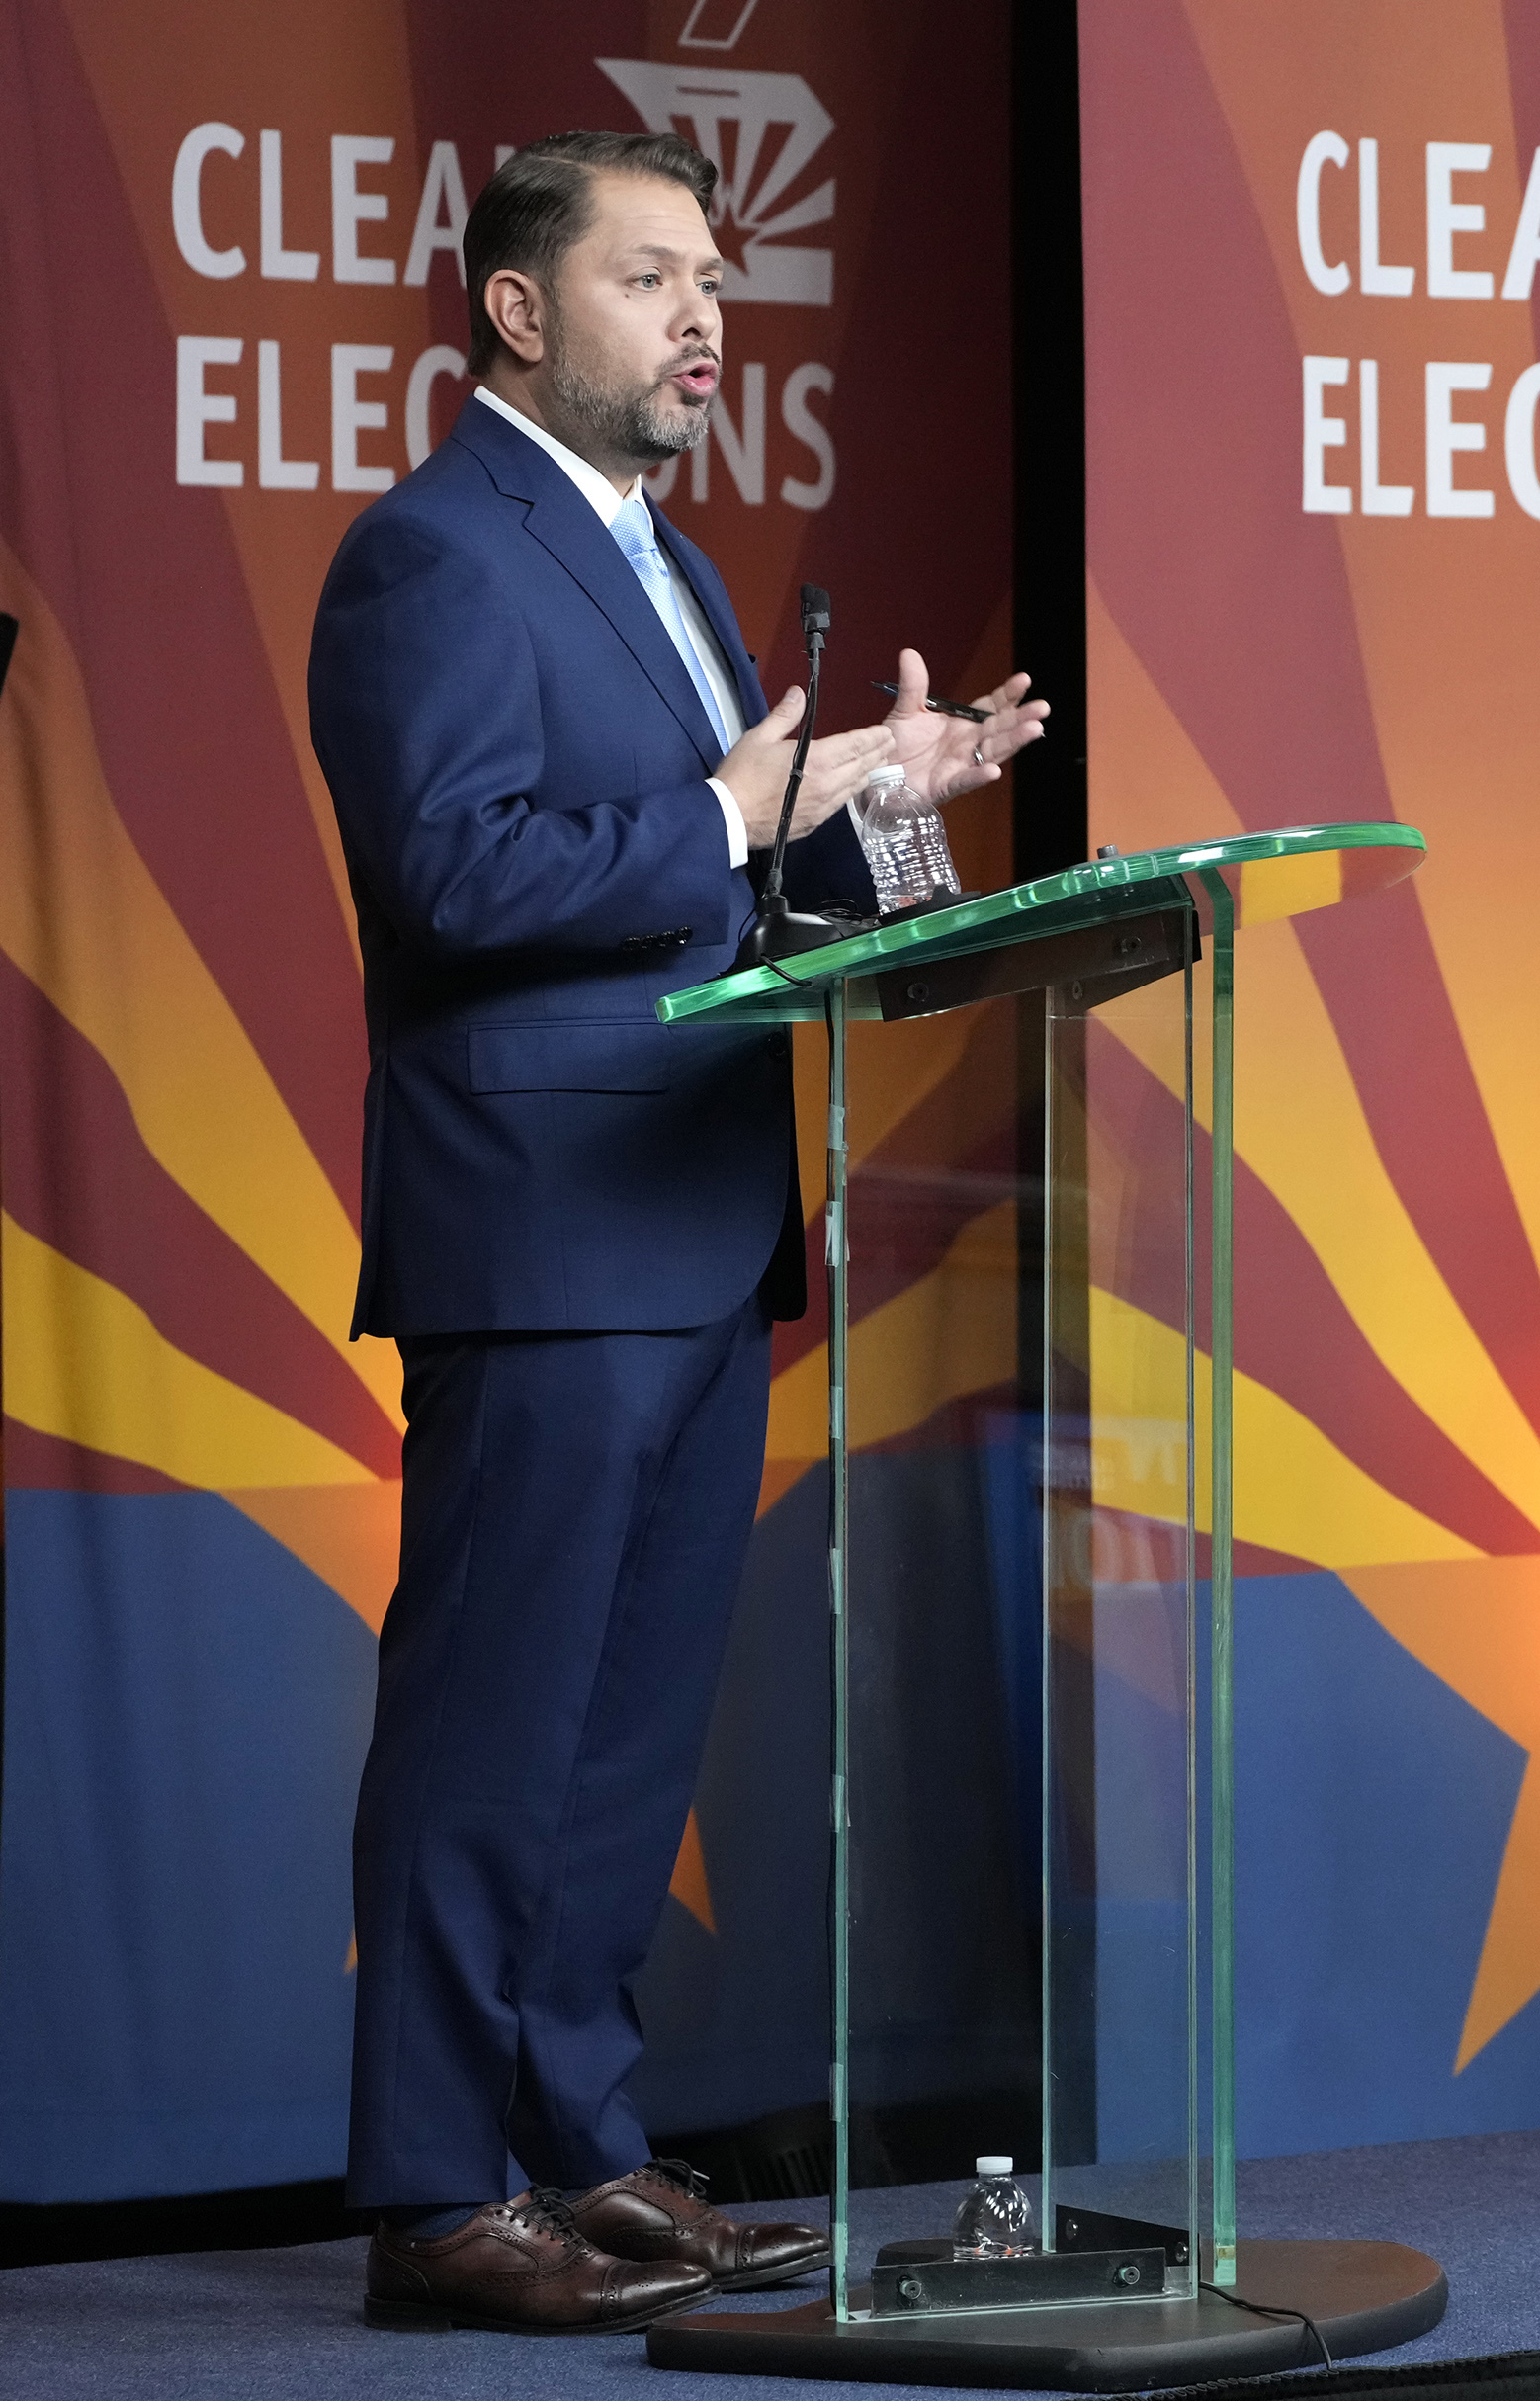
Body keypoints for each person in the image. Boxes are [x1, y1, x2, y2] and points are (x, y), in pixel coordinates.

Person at [308, 129, 1047, 2334]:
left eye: (716, 281)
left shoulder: (684, 571)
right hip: (540, 1239)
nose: (708, 318)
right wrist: (739, 796)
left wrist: (879, 808)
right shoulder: (432, 555)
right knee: (493, 1725)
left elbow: (725, 903)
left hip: (703, 1225)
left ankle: (576, 2143)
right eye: (653, 279)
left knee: (623, 1739)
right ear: (520, 313)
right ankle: (440, 2196)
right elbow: (458, 882)